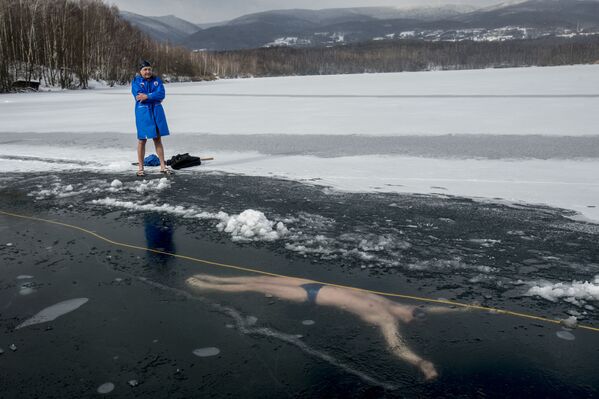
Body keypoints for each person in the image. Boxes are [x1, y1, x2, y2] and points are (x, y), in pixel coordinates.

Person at [186, 274, 466, 380]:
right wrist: (463, 308)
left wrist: (421, 362)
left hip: (311, 295)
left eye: (415, 314)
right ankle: (214, 278)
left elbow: (395, 345)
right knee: (262, 277)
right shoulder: (395, 305)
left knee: (256, 286)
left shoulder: (387, 318)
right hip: (313, 283)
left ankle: (208, 288)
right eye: (417, 309)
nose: (415, 310)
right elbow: (432, 308)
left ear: (408, 321)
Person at [132, 60, 172, 176]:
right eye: (145, 69)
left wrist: (148, 96)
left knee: (157, 139)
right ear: (140, 71)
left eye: (149, 69)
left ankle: (163, 166)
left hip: (156, 112)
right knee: (142, 140)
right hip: (143, 113)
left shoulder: (157, 81)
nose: (148, 71)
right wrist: (154, 97)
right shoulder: (136, 82)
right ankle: (140, 168)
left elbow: (161, 94)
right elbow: (139, 96)